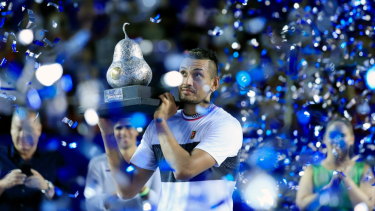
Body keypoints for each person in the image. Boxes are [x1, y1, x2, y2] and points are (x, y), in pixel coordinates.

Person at [98, 48, 243, 211]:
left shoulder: (225, 124)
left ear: (214, 83)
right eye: (183, 74)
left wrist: (161, 121)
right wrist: (107, 132)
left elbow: (185, 170)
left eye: (197, 75)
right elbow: (127, 190)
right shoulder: (158, 126)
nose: (187, 82)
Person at [296, 117, 375, 210]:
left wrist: (346, 181)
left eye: (342, 135)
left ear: (351, 139)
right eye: (332, 135)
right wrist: (326, 191)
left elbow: (369, 206)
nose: (337, 140)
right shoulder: (312, 170)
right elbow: (302, 205)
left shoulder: (363, 169)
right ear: (324, 139)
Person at [84, 118, 160, 211]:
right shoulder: (98, 163)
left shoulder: (151, 161)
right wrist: (113, 196)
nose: (123, 133)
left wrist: (143, 190)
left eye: (128, 127)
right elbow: (90, 202)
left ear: (136, 131)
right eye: (119, 128)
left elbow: (160, 200)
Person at [0, 108, 62, 210]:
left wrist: (45, 186)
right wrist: (3, 184)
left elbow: (63, 196)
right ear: (11, 129)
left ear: (39, 130)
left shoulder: (52, 158)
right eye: (18, 128)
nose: (23, 135)